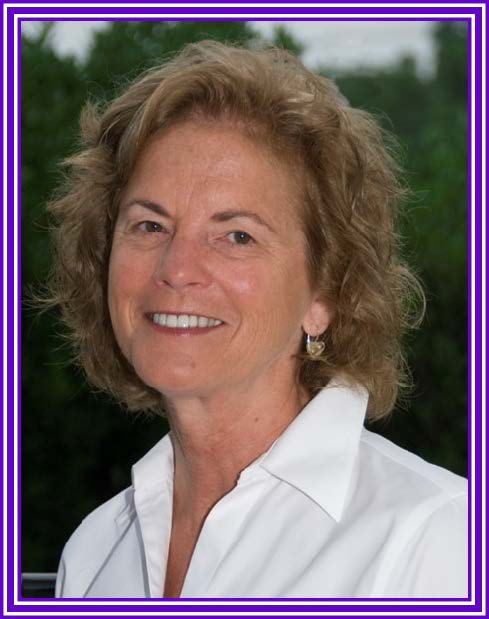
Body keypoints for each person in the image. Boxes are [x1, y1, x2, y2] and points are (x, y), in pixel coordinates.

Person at [49, 40, 467, 599]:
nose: (177, 269)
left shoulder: (437, 538)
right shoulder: (96, 551)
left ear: (326, 292)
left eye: (237, 235)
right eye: (149, 225)